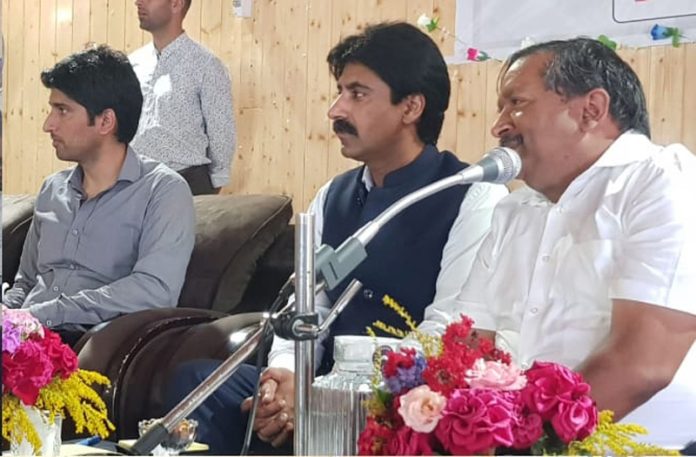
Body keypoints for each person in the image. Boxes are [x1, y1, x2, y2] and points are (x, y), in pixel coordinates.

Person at [163, 22, 508, 455]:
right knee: (198, 382)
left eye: (358, 94)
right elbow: (307, 305)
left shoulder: (473, 197)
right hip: (320, 380)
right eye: (340, 91)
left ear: (411, 107)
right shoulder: (334, 196)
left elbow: (446, 330)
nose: (335, 110)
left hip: (403, 396)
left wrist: (328, 396)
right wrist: (287, 377)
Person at [453, 37, 696, 450]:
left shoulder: (663, 181)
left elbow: (642, 366)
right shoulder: (514, 211)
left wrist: (524, 447)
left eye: (517, 103)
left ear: (591, 110)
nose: (499, 126)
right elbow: (469, 345)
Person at [2, 45, 196, 347]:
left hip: (89, 343)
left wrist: (45, 314)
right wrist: (9, 312)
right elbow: (26, 282)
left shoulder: (163, 191)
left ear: (106, 121)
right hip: (24, 337)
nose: (47, 125)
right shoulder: (52, 189)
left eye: (62, 110)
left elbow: (153, 289)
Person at [130, 0, 236, 195]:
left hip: (186, 183)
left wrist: (213, 184)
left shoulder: (205, 65)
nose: (138, 2)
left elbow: (221, 131)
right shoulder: (133, 63)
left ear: (176, 4)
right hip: (135, 183)